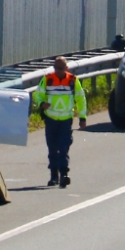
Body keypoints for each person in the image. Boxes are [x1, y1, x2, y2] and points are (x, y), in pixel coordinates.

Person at [33, 56, 86, 188]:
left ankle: (64, 174)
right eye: (56, 68)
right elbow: (37, 94)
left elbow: (81, 99)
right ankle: (53, 176)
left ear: (66, 68)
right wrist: (41, 103)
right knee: (52, 149)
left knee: (63, 148)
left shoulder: (73, 81)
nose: (58, 70)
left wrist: (82, 117)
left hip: (66, 120)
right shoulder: (48, 79)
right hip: (51, 119)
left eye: (61, 68)